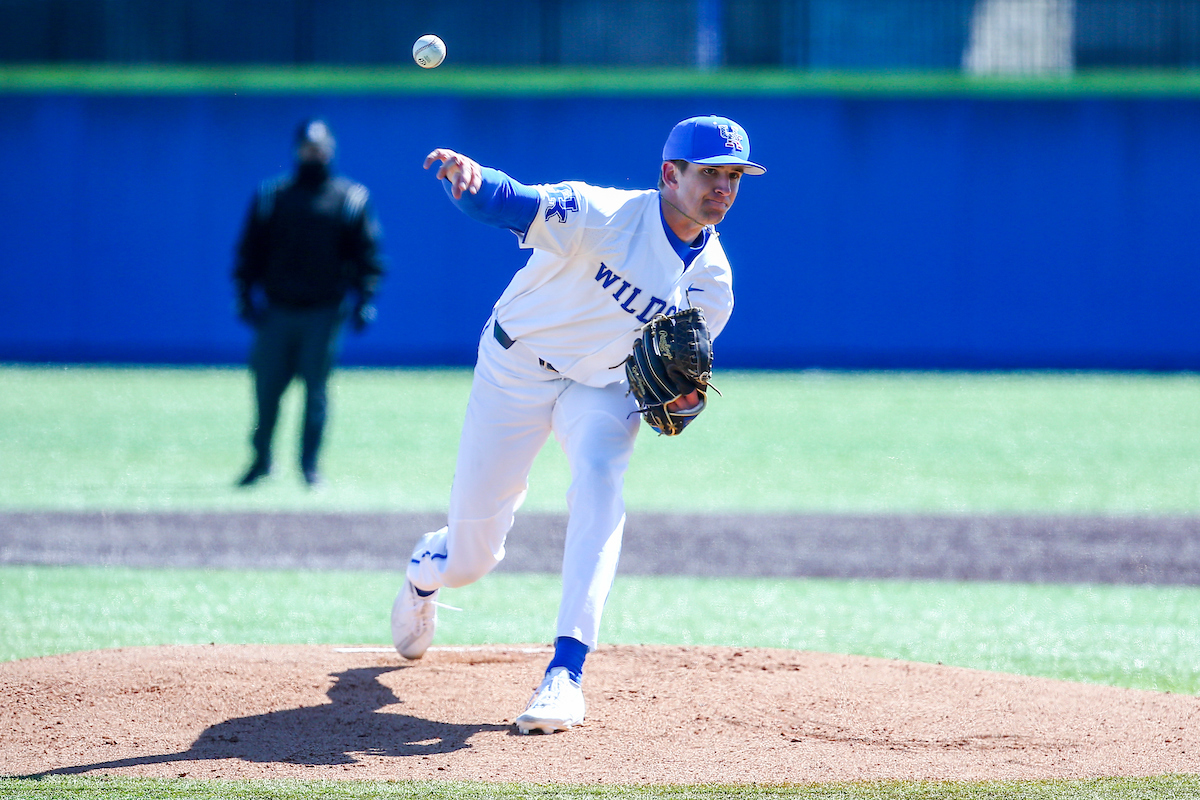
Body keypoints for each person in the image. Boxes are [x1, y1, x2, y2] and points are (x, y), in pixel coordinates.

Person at [390, 115, 765, 734]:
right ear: (670, 174)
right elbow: (515, 203)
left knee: (599, 482)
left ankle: (565, 673)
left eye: (733, 176)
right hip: (517, 366)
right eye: (709, 173)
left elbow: (678, 388)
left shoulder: (714, 284)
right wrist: (472, 179)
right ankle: (429, 568)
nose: (722, 188)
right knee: (472, 559)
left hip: (602, 388)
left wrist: (680, 401)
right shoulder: (607, 214)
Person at [232, 119, 386, 488]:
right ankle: (261, 460)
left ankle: (309, 465)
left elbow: (369, 256)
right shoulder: (273, 196)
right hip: (278, 309)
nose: (313, 154)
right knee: (266, 389)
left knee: (315, 391)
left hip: (324, 311)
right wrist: (244, 295)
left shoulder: (350, 198)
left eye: (318, 148)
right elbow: (249, 252)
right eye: (307, 148)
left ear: (329, 150)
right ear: (296, 149)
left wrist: (365, 299)